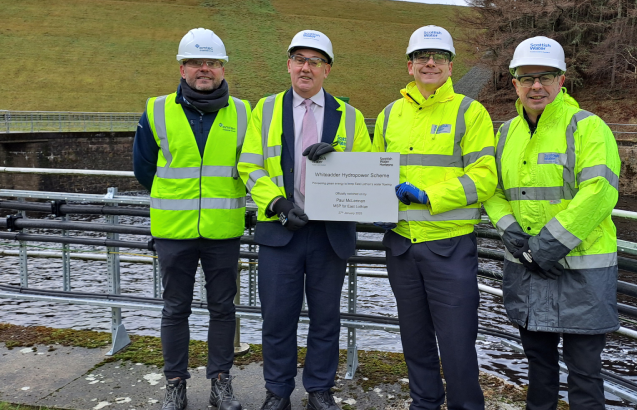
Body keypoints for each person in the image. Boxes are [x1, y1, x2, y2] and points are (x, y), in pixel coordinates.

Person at [483, 36, 621, 410]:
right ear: (514, 83)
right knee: (538, 368)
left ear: (562, 80)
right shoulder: (506, 133)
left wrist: (546, 246)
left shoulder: (588, 127)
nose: (536, 85)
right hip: (528, 270)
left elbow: (599, 192)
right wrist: (509, 229)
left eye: (546, 76)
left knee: (585, 373)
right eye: (527, 78)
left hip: (582, 273)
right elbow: (492, 190)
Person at [237, 30, 371, 410]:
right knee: (278, 318)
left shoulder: (351, 116)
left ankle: (319, 390)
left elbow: (366, 170)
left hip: (330, 234)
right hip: (281, 231)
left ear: (327, 70)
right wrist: (277, 203)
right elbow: (248, 165)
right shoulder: (264, 109)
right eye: (300, 60)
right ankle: (277, 391)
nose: (306, 68)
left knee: (326, 320)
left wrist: (340, 157)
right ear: (289, 65)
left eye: (315, 61)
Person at [371, 25, 496, 410]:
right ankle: (423, 402)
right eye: (421, 57)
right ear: (409, 66)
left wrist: (430, 197)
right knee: (415, 339)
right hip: (402, 244)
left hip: (449, 245)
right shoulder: (390, 114)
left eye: (438, 57)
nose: (429, 63)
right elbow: (374, 171)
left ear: (450, 65)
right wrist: (372, 204)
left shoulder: (469, 112)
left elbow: (485, 178)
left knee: (458, 344)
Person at [132, 28, 251, 410]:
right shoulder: (156, 109)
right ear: (182, 68)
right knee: (175, 309)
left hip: (222, 232)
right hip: (174, 233)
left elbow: (251, 168)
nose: (205, 69)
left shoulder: (244, 113)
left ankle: (220, 383)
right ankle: (175, 385)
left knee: (223, 309)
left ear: (222, 68)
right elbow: (144, 169)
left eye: (212, 63)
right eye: (197, 62)